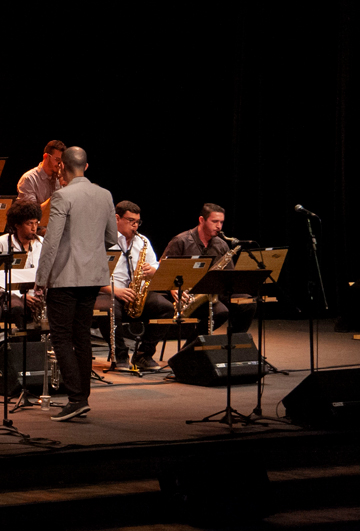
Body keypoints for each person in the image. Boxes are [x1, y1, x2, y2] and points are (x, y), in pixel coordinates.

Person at [33, 147, 117, 422]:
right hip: (93, 277)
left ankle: (76, 398)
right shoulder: (105, 194)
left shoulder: (62, 195)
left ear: (61, 168)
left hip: (66, 277)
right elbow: (112, 238)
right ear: (86, 166)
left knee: (61, 336)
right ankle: (82, 397)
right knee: (82, 336)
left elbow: (52, 241)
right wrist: (90, 250)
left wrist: (40, 279)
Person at [95, 201, 170, 371]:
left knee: (166, 308)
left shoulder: (142, 241)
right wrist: (116, 291)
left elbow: (155, 265)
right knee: (109, 309)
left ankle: (144, 354)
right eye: (130, 221)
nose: (135, 226)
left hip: (136, 292)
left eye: (137, 222)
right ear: (116, 218)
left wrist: (152, 270)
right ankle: (120, 355)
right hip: (108, 291)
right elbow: (90, 275)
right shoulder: (102, 239)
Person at [161, 203, 256, 334]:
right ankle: (192, 346)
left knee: (248, 303)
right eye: (215, 221)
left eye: (221, 222)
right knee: (220, 312)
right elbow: (163, 267)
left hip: (216, 292)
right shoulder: (181, 241)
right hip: (189, 294)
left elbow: (229, 274)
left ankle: (234, 344)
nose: (219, 226)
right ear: (201, 220)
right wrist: (172, 288)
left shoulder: (221, 244)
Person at [0, 200, 44, 328]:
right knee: (17, 308)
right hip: (10, 294)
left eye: (36, 223)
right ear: (17, 225)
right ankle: (16, 345)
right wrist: (21, 296)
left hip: (35, 294)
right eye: (29, 223)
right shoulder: (1, 243)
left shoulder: (42, 243)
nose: (34, 228)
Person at [16, 139, 66, 205]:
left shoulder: (60, 178)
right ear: (46, 156)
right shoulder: (29, 179)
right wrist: (56, 197)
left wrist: (66, 185)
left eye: (62, 161)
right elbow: (31, 212)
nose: (60, 164)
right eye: (57, 160)